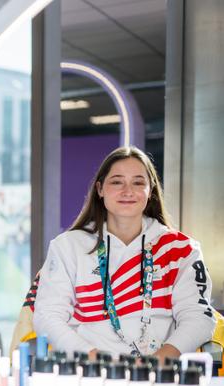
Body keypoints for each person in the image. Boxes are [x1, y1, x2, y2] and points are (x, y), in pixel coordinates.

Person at [34, 146, 215, 362]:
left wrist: (157, 362)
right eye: (117, 182)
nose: (128, 191)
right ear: (100, 189)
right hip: (88, 374)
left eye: (138, 183)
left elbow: (199, 318)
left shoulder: (181, 249)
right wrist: (95, 359)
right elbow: (47, 316)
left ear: (151, 190)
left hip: (159, 374)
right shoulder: (68, 246)